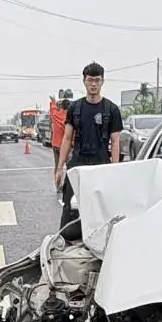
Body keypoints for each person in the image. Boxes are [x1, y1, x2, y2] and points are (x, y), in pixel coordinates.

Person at [53, 63, 123, 229]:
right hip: (78, 163)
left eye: (97, 80)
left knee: (103, 209)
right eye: (90, 80)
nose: (93, 84)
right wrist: (59, 168)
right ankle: (66, 238)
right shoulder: (75, 108)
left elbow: (115, 142)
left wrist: (115, 170)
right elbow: (67, 138)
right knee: (70, 207)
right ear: (84, 81)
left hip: (101, 163)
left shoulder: (111, 110)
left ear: (102, 82)